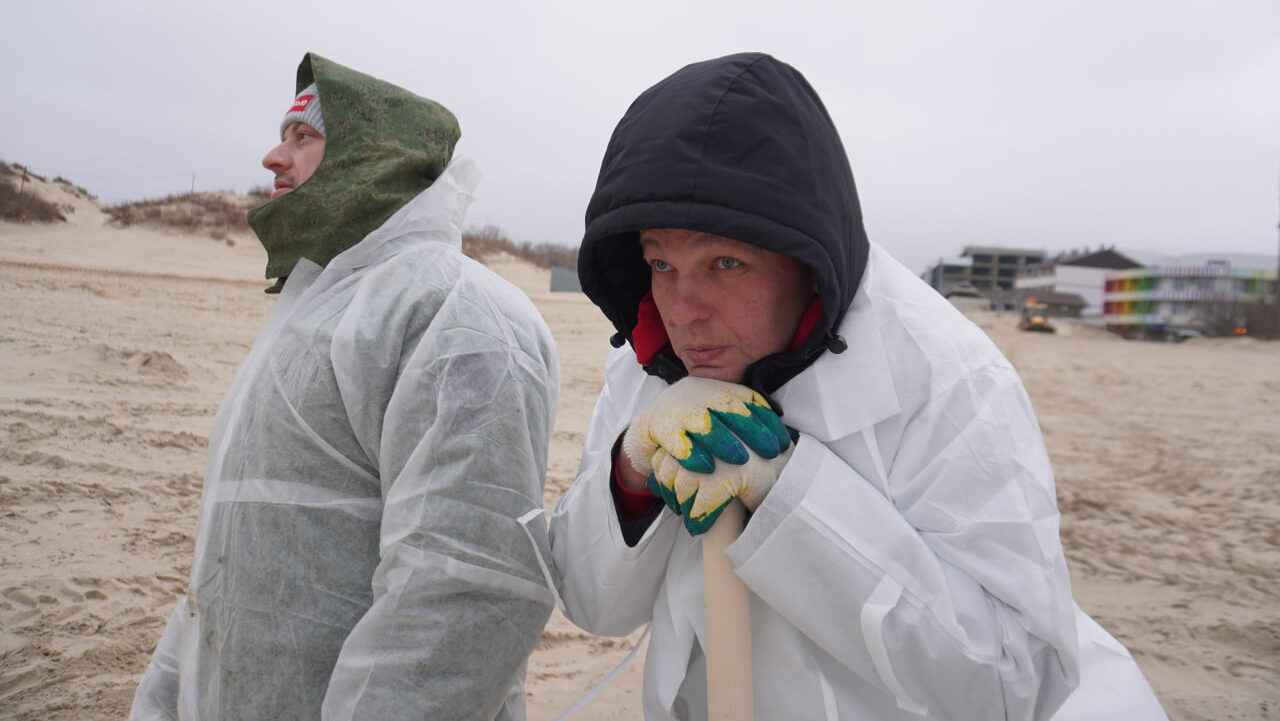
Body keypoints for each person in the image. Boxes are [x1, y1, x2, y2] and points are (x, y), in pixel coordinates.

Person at [549, 52, 1167, 720]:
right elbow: (593, 603)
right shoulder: (653, 359)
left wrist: (789, 495)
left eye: (726, 262)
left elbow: (1013, 682)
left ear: (806, 260)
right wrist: (629, 475)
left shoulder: (948, 380)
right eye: (661, 263)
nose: (684, 308)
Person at [130, 53, 560, 720]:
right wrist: (165, 698)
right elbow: (228, 553)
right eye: (284, 133)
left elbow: (463, 593)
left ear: (374, 155)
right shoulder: (307, 314)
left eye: (304, 137)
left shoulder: (457, 313)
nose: (274, 156)